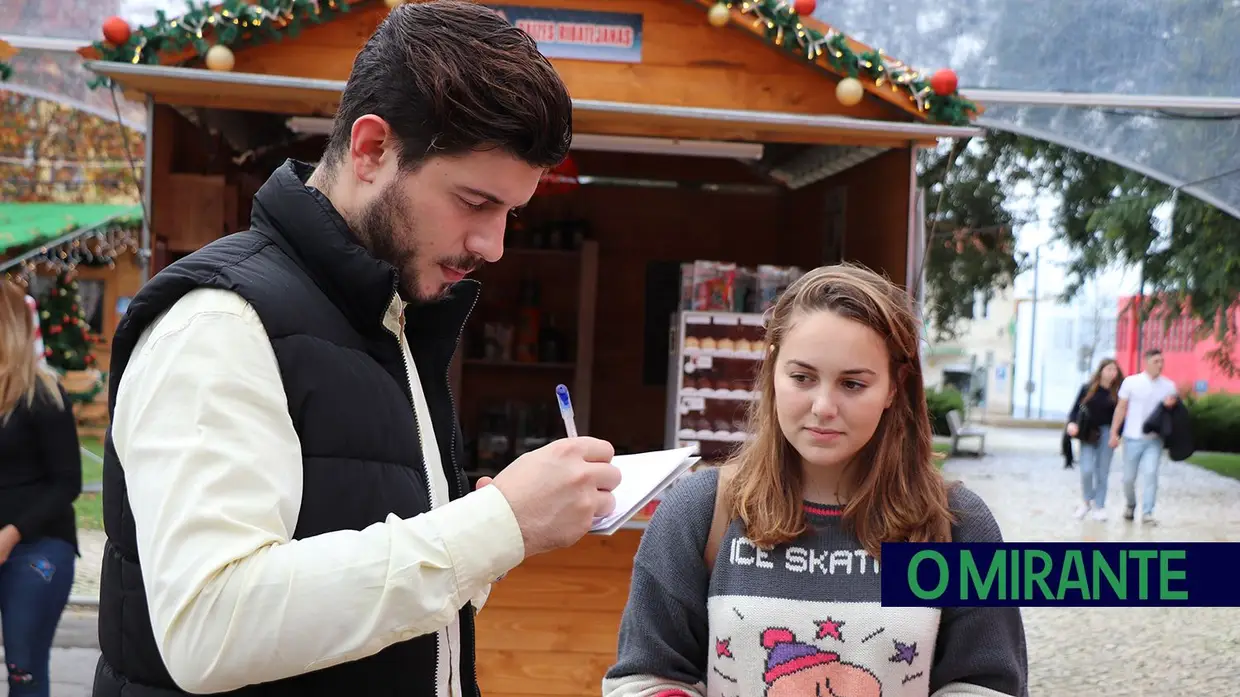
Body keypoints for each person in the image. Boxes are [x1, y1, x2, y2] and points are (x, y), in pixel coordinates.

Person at [93, 3, 621, 696]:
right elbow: (210, 627)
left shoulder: (391, 321)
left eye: (510, 213)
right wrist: (490, 527)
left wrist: (481, 539)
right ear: (371, 149)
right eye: (474, 201)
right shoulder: (218, 320)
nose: (494, 245)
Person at [602, 264, 1028, 697]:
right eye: (802, 377)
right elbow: (645, 680)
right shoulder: (698, 512)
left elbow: (987, 685)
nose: (823, 406)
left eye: (853, 383)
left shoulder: (959, 525)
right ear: (772, 370)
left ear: (895, 387)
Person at [0, 280, 82, 697]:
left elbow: (68, 482)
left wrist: (11, 533)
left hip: (37, 550)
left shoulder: (44, 394)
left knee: (24, 670)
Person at [1108, 348, 1178, 524]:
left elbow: (1175, 413)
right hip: (1132, 438)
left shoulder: (1168, 386)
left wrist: (1172, 406)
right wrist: (1114, 432)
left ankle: (1148, 512)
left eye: (1162, 361)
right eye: (1156, 361)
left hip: (1154, 439)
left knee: (1151, 473)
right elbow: (1121, 408)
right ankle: (1130, 504)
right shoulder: (1131, 382)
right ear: (1146, 362)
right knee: (1128, 478)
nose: (1160, 365)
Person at [1065, 358, 1123, 521]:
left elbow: (1122, 414)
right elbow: (1076, 409)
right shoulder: (1087, 388)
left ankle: (1099, 505)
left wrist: (1117, 434)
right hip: (1088, 433)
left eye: (1114, 370)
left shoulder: (1118, 391)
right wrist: (1072, 423)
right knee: (1087, 469)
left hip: (1107, 432)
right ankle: (1086, 501)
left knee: (1102, 471)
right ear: (1101, 371)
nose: (1112, 373)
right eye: (1109, 369)